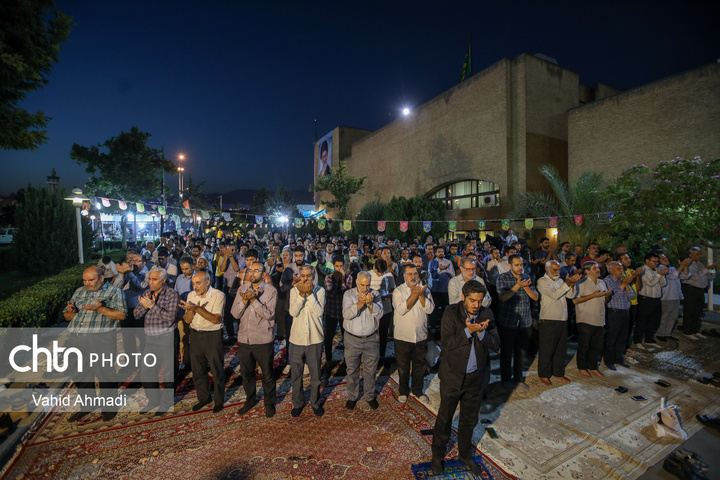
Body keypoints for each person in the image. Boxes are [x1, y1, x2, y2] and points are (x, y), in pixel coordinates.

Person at [431, 280, 500, 476]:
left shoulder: (487, 314)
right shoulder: (451, 312)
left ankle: (465, 453)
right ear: (463, 297)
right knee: (445, 418)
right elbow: (447, 343)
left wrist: (481, 333)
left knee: (469, 419)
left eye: (479, 301)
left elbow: (496, 345)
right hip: (453, 376)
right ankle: (437, 455)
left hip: (475, 379)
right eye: (472, 300)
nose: (476, 305)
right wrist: (468, 331)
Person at [63, 266, 127, 422]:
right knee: (80, 374)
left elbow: (122, 315)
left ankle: (109, 407)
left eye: (91, 280)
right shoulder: (79, 291)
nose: (87, 284)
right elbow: (67, 317)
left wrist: (101, 308)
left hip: (100, 339)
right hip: (76, 338)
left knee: (105, 373)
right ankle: (88, 405)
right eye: (85, 280)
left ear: (101, 277)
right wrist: (70, 311)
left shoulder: (114, 292)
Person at [232, 262, 278, 418]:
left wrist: (253, 300)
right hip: (244, 339)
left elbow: (269, 314)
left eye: (256, 271)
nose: (252, 273)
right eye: (250, 270)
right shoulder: (242, 289)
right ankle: (250, 399)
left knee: (267, 375)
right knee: (246, 374)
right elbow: (234, 314)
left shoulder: (271, 291)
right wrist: (245, 300)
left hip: (263, 339)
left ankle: (269, 403)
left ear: (263, 274)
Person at [133, 267, 180, 415]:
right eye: (149, 279)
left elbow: (170, 318)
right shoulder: (147, 293)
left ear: (163, 280)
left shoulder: (172, 294)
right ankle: (153, 400)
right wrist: (146, 306)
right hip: (150, 339)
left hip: (166, 338)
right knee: (147, 372)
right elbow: (136, 315)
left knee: (168, 373)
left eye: (154, 280)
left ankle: (166, 404)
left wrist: (152, 306)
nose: (150, 283)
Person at [180, 271, 226, 413]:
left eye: (198, 283)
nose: (195, 286)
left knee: (216, 369)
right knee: (198, 370)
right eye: (193, 283)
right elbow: (187, 320)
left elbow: (214, 319)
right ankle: (204, 398)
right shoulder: (191, 296)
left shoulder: (218, 295)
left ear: (207, 282)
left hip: (212, 335)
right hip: (195, 335)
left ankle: (218, 401)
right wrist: (190, 311)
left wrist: (197, 308)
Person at [392, 264, 435, 404]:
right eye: (409, 274)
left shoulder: (425, 290)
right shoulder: (398, 291)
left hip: (420, 336)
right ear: (404, 276)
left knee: (419, 366)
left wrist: (421, 295)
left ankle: (418, 390)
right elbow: (402, 309)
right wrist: (414, 294)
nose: (413, 276)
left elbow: (429, 309)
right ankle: (403, 391)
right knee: (403, 367)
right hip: (403, 337)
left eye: (415, 274)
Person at [288, 265, 326, 417]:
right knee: (296, 374)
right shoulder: (293, 291)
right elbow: (293, 312)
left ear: (313, 276)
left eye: (308, 276)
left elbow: (318, 312)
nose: (305, 279)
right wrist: (300, 295)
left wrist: (309, 295)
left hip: (315, 338)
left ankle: (315, 403)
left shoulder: (320, 291)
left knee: (315, 374)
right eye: (302, 275)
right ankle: (298, 403)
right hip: (296, 339)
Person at [342, 271, 384, 410]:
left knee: (370, 370)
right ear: (356, 282)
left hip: (371, 339)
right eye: (362, 285)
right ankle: (352, 396)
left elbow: (380, 314)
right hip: (352, 339)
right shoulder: (348, 294)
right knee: (352, 369)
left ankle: (370, 396)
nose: (365, 288)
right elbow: (347, 315)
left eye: (367, 285)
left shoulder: (376, 295)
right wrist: (360, 304)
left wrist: (371, 305)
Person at [496, 254, 538, 389]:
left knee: (521, 353)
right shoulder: (502, 278)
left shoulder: (527, 278)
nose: (520, 267)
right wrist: (517, 286)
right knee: (507, 352)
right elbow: (502, 297)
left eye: (522, 265)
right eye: (517, 265)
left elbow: (535, 297)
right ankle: (506, 380)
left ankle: (519, 379)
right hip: (508, 321)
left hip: (525, 322)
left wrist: (524, 286)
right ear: (510, 265)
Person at [536, 260, 580, 385]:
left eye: (558, 269)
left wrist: (571, 284)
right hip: (549, 319)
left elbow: (571, 296)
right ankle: (544, 374)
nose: (557, 272)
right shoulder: (542, 281)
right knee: (547, 348)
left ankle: (558, 372)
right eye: (554, 270)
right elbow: (554, 295)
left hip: (562, 318)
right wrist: (567, 283)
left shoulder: (561, 281)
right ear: (547, 270)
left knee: (561, 349)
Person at [572, 261, 612, 378]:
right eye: (594, 268)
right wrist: (593, 295)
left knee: (596, 346)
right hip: (585, 318)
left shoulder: (602, 282)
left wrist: (607, 295)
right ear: (587, 271)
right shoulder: (581, 283)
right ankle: (582, 367)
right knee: (584, 345)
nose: (598, 270)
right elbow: (575, 300)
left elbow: (604, 300)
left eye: (598, 268)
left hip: (599, 319)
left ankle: (592, 367)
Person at [602, 261, 634, 370]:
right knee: (612, 338)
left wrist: (626, 284)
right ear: (610, 270)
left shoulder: (621, 280)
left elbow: (631, 295)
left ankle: (619, 359)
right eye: (618, 269)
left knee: (623, 337)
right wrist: (623, 284)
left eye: (621, 269)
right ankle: (609, 361)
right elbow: (614, 296)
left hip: (625, 312)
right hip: (614, 312)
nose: (622, 271)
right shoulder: (607, 281)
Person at [681, 247, 717, 339]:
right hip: (691, 289)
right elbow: (694, 278)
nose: (700, 256)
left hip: (700, 290)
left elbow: (710, 276)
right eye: (697, 254)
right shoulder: (689, 265)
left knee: (698, 311)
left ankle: (695, 330)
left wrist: (711, 269)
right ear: (691, 255)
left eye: (700, 254)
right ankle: (687, 331)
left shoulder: (700, 264)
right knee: (689, 311)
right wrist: (705, 270)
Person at [634, 252, 668, 347]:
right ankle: (637, 340)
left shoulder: (656, 270)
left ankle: (649, 339)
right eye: (654, 261)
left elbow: (663, 284)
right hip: (646, 299)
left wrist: (662, 275)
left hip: (656, 299)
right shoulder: (643, 270)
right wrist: (658, 275)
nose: (656, 263)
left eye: (657, 261)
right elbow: (650, 283)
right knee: (642, 320)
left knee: (654, 320)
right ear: (647, 261)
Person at [324, 256, 353, 364]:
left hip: (344, 313)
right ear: (333, 266)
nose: (339, 269)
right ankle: (328, 360)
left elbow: (347, 294)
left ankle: (347, 361)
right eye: (337, 266)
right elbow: (331, 293)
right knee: (328, 337)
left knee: (346, 338)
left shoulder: (349, 278)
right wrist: (338, 281)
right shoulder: (328, 277)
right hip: (331, 311)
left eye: (341, 266)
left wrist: (342, 279)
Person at [656, 254, 690, 341]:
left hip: (676, 296)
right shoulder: (659, 269)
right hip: (666, 296)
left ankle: (667, 333)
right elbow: (672, 276)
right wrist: (681, 265)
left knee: (673, 316)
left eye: (666, 257)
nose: (666, 259)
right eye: (663, 258)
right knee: (664, 317)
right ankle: (660, 334)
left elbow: (685, 276)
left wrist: (685, 266)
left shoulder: (672, 268)